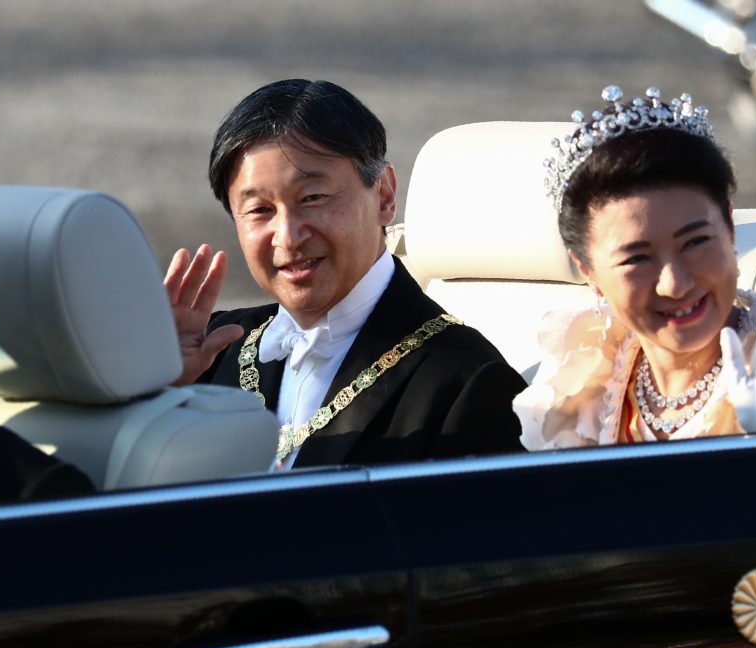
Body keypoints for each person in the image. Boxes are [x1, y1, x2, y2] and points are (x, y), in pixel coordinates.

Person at [165, 79, 525, 470]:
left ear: (384, 196)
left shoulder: (466, 381)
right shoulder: (209, 354)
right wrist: (154, 398)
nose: (288, 236)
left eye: (313, 198)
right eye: (259, 210)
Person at [513, 86, 756, 449]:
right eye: (637, 259)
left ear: (728, 226)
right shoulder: (581, 371)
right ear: (588, 270)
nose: (675, 284)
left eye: (695, 243)